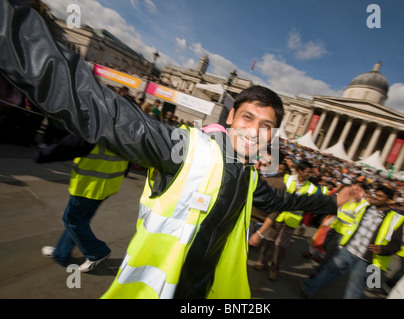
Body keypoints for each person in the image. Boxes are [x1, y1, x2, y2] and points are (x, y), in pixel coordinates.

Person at [0, 1, 357, 299]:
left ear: (272, 136)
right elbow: (98, 108)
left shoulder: (249, 177)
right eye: (247, 118)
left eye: (265, 127)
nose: (254, 131)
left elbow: (283, 202)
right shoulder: (185, 148)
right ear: (231, 117)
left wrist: (332, 201)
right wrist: (12, 34)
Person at [35, 133, 129, 272]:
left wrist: (42, 155)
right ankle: (61, 254)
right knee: (79, 220)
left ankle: (97, 251)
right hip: (110, 183)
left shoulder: (98, 123)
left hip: (89, 184)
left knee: (72, 220)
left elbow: (69, 146)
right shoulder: (130, 127)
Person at [299, 185, 404, 299]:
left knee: (355, 286)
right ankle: (309, 289)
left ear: (389, 200)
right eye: (375, 194)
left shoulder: (395, 219)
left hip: (367, 259)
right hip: (349, 249)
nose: (376, 197)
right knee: (330, 270)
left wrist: (384, 249)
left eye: (380, 196)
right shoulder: (366, 208)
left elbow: (396, 245)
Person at [254, 160, 320, 280]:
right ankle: (262, 262)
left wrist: (304, 226)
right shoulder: (287, 179)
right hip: (278, 217)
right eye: (307, 172)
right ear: (300, 171)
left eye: (311, 173)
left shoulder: (312, 189)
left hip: (293, 220)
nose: (309, 174)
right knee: (269, 240)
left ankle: (274, 268)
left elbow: (308, 209)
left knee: (281, 246)